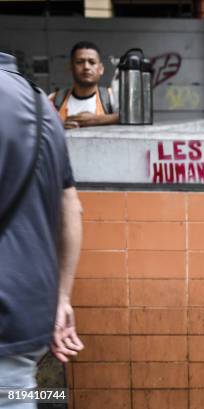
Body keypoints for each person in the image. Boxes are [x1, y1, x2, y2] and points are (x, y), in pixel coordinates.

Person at [0, 52, 84, 408]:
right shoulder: (43, 106)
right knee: (16, 394)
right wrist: (61, 298)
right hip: (28, 313)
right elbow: (72, 207)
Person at [49, 41, 119, 129]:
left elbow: (132, 117)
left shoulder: (111, 97)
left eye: (92, 62)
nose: (86, 67)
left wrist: (95, 120)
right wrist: (59, 126)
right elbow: (36, 126)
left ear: (101, 69)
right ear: (71, 67)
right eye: (79, 62)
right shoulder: (54, 99)